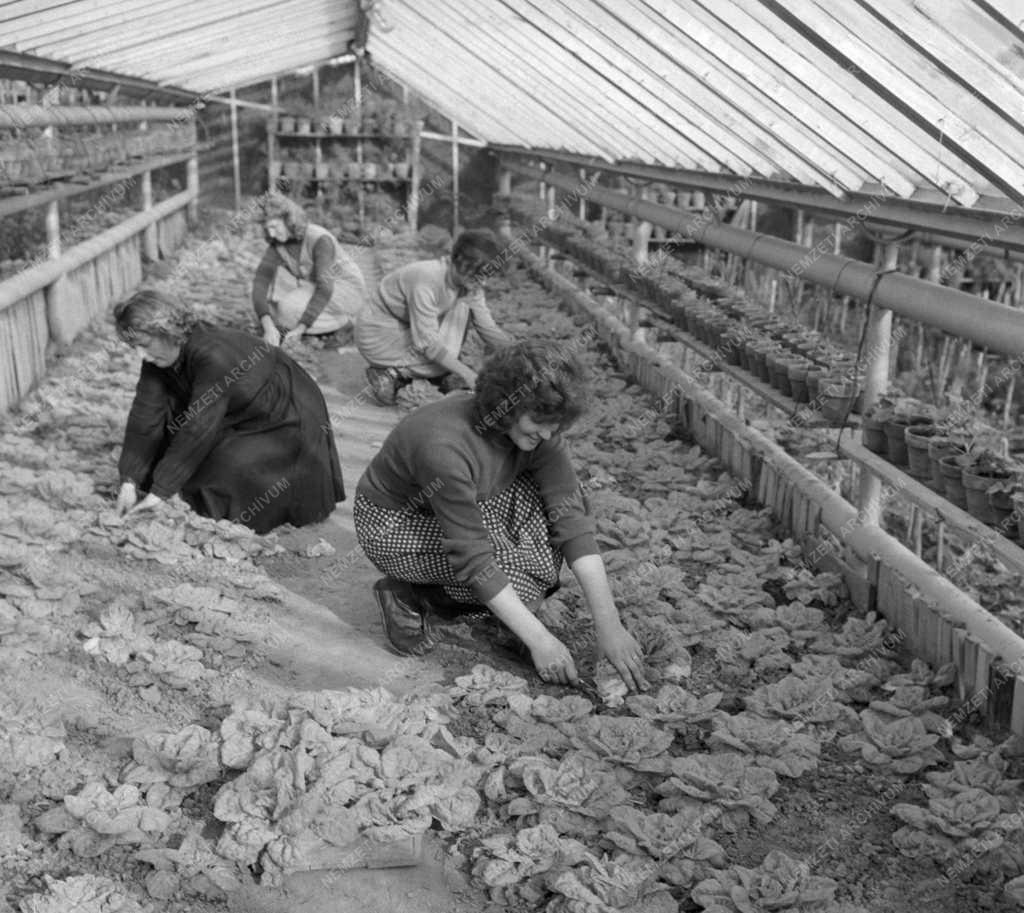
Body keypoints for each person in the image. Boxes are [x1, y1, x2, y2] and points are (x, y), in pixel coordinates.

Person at [353, 339, 647, 692]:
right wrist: (540, 640)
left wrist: (609, 625)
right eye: (538, 421)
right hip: (394, 523)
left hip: (472, 503)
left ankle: (496, 609)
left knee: (540, 560)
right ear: (507, 405)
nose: (548, 433)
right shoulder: (443, 447)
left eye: (555, 424)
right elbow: (474, 557)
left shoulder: (541, 432)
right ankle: (411, 594)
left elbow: (572, 523)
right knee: (516, 579)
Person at [114, 289, 345, 533]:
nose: (142, 355)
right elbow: (144, 415)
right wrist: (129, 480)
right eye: (134, 347)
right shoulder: (157, 355)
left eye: (145, 345)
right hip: (236, 409)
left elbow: (198, 429)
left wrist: (159, 493)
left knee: (219, 481)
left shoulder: (214, 355)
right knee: (161, 462)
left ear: (166, 331)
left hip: (283, 414)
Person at [354, 228, 513, 405]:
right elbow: (428, 344)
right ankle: (387, 373)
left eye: (486, 276)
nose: (482, 282)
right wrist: (467, 373)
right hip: (379, 332)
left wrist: (522, 354)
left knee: (463, 311)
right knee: (443, 355)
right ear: (458, 260)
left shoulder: (467, 282)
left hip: (405, 328)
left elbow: (487, 327)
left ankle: (426, 373)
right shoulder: (427, 279)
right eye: (477, 274)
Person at [252, 194, 367, 348]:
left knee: (286, 309)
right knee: (272, 311)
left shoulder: (319, 238)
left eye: (274, 226)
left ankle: (344, 324)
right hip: (319, 287)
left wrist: (301, 328)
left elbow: (325, 287)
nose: (271, 234)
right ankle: (324, 324)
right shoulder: (278, 243)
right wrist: (268, 327)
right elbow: (260, 283)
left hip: (347, 290)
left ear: (288, 219)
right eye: (267, 229)